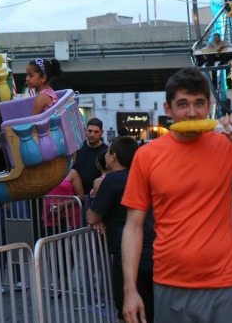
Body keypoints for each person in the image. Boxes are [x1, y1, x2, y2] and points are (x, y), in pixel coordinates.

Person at [120, 67, 232, 323]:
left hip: (226, 283)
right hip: (169, 283)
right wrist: (130, 290)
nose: (192, 112)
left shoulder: (229, 145)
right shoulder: (147, 156)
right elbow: (133, 227)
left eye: (199, 104)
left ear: (209, 107)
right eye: (183, 104)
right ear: (168, 109)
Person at [87, 136, 155, 322]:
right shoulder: (145, 176)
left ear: (113, 157)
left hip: (128, 255)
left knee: (130, 312)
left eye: (108, 152)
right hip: (156, 251)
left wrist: (98, 217)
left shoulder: (112, 180)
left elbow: (92, 215)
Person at [43, 169, 84, 236]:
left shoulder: (72, 173)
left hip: (70, 218)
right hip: (50, 217)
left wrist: (63, 205)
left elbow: (81, 196)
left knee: (71, 244)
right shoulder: (45, 172)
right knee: (52, 244)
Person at [73, 118, 108, 195]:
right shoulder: (77, 148)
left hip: (98, 195)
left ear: (101, 133)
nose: (92, 134)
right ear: (86, 131)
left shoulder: (107, 152)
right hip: (77, 196)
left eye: (96, 132)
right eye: (90, 131)